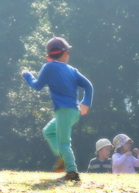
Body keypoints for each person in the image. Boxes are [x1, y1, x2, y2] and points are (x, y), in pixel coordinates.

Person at [21, 36, 93, 182]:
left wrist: (27, 75)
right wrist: (86, 102)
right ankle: (61, 158)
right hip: (74, 111)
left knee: (64, 143)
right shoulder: (72, 70)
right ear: (66, 53)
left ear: (48, 57)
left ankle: (72, 171)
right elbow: (88, 86)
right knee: (48, 131)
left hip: (64, 111)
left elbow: (37, 86)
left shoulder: (49, 67)